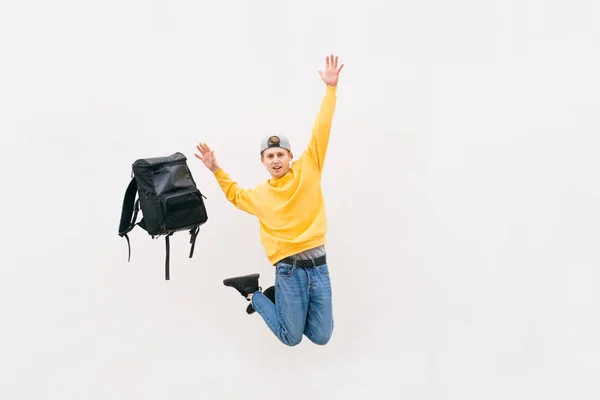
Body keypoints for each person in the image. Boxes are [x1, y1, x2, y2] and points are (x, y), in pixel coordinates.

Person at [194, 54, 344, 347]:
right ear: (263, 162)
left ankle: (279, 302)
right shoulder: (260, 195)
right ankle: (254, 293)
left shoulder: (309, 167)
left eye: (280, 154)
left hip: (319, 266)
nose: (276, 160)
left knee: (321, 336)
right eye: (270, 156)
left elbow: (322, 128)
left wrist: (330, 89)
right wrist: (214, 168)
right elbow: (235, 195)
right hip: (288, 270)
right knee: (291, 338)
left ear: (290, 156)